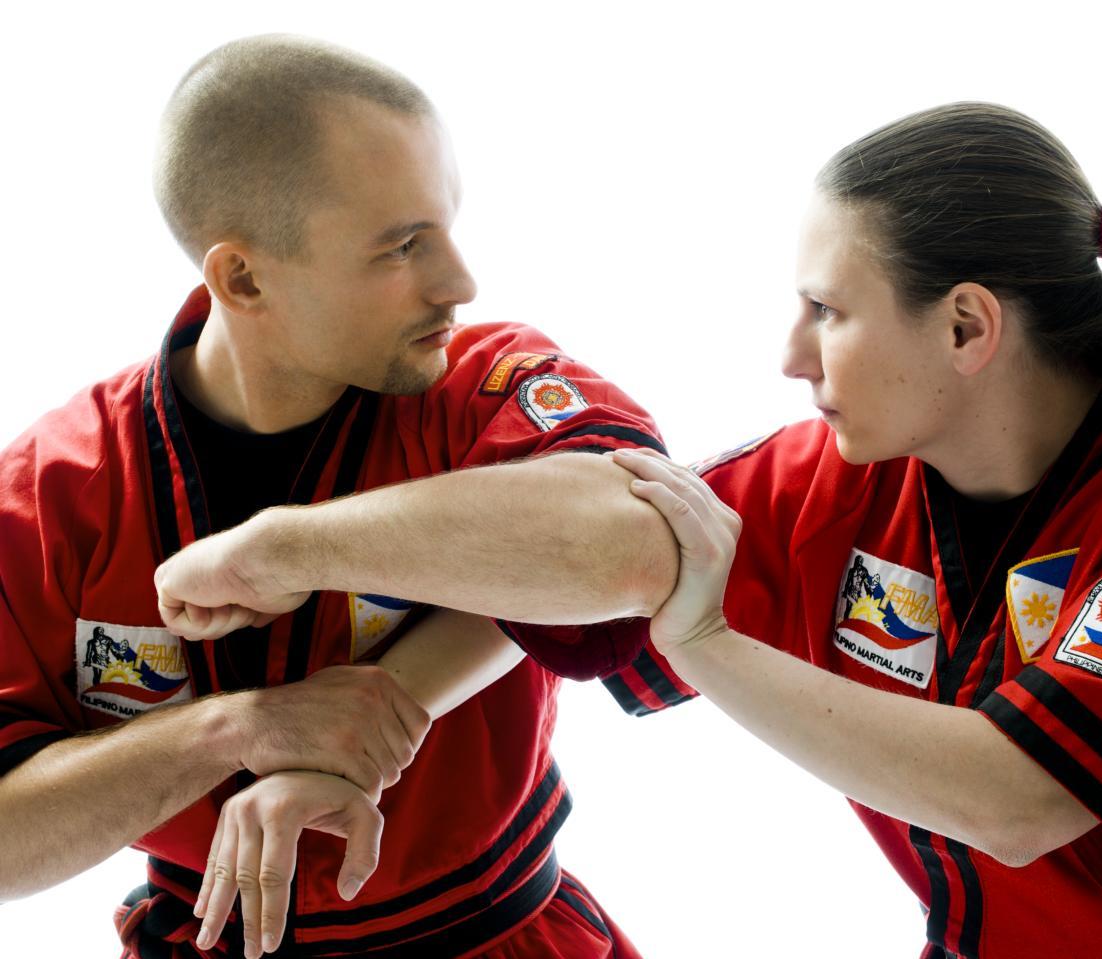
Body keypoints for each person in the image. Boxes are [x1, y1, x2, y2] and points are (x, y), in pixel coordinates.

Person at [0, 34, 678, 959]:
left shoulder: (482, 381)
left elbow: (642, 542)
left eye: (447, 226)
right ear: (243, 277)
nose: (460, 282)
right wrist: (234, 731)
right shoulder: (52, 489)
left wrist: (287, 547)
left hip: (506, 935)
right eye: (403, 246)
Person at [601, 103, 1102, 958]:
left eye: (827, 309)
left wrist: (706, 644)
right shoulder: (850, 471)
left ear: (965, 326)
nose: (791, 357)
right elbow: (606, 536)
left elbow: (1018, 798)